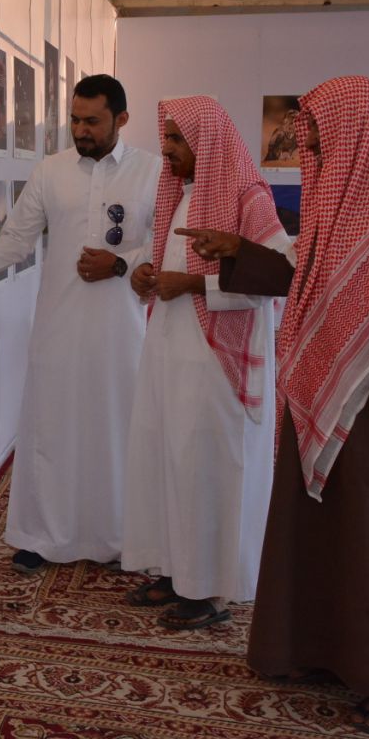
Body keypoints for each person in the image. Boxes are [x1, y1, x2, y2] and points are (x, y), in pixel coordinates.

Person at [182, 76, 369, 735]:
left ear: (356, 127)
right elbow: (307, 276)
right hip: (330, 385)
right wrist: (239, 252)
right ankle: (321, 647)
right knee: (327, 526)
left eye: (314, 128)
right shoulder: (336, 201)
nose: (304, 139)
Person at [0, 74, 162, 572]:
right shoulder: (50, 171)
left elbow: (166, 244)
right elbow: (17, 238)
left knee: (115, 427)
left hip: (122, 329)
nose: (80, 129)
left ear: (122, 119)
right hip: (58, 324)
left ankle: (119, 537)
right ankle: (42, 535)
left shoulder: (152, 173)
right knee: (51, 427)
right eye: (75, 120)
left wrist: (120, 262)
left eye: (92, 121)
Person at [120, 96, 289, 629]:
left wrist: (193, 283)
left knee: (208, 470)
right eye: (165, 138)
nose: (165, 149)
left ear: (206, 142)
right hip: (170, 350)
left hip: (219, 364)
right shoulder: (181, 195)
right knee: (168, 459)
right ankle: (176, 572)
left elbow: (277, 276)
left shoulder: (249, 198)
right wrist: (142, 276)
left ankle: (211, 590)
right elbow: (161, 260)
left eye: (175, 139)